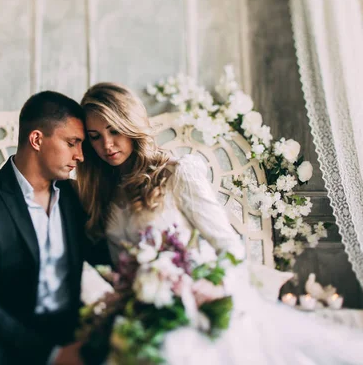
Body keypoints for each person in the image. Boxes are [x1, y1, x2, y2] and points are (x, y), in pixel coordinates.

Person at [76, 82, 363, 365]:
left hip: (198, 304)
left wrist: (209, 289)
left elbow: (229, 246)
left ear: (131, 125)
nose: (107, 145)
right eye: (95, 136)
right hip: (142, 315)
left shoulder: (177, 173)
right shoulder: (100, 192)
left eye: (114, 130)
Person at [0, 91, 110, 365]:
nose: (80, 156)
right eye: (72, 143)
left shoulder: (74, 198)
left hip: (65, 327)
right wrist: (51, 355)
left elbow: (103, 254)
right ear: (36, 139)